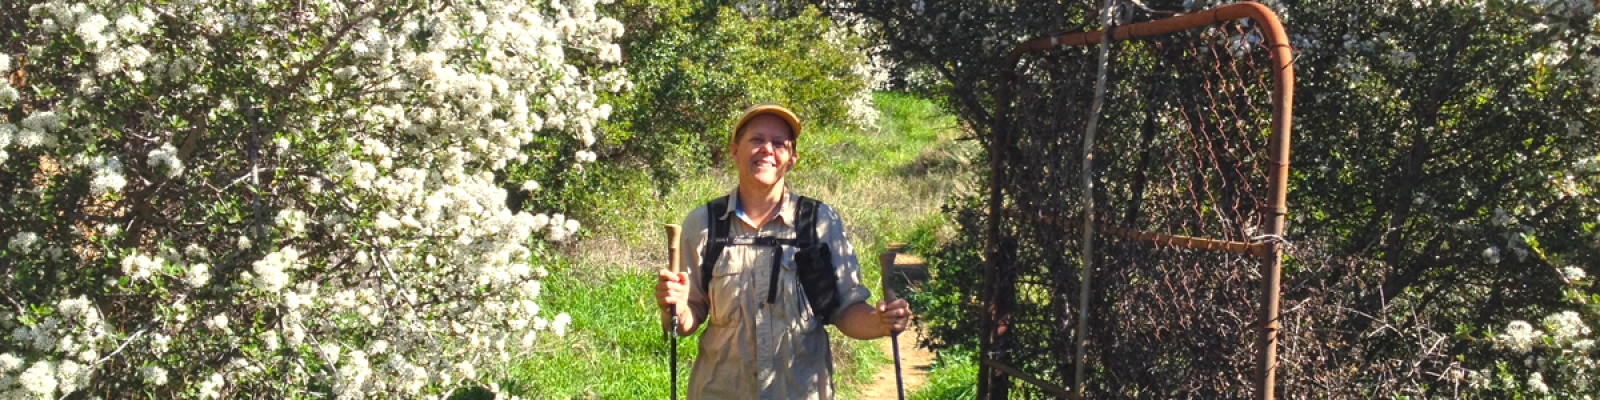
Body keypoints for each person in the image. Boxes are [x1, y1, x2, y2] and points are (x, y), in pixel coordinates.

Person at [655, 104, 913, 399]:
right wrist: (672, 305)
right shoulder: (704, 225)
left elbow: (844, 310)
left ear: (792, 159)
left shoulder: (818, 223)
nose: (767, 149)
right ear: (734, 151)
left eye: (779, 143)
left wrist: (881, 322)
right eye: (756, 140)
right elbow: (686, 321)